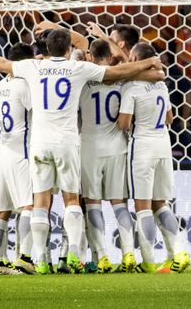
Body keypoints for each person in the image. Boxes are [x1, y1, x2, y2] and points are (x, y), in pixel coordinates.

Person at [0, 30, 164, 274]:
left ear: (47, 49)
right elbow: (118, 72)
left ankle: (40, 261)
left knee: (40, 202)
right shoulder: (78, 68)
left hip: (39, 143)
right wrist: (148, 62)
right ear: (66, 49)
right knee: (72, 200)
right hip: (68, 143)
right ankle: (74, 255)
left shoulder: (32, 66)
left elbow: (3, 64)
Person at [117, 43, 190, 274]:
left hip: (143, 147)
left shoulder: (131, 88)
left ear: (138, 59)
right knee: (161, 203)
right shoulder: (161, 86)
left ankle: (147, 261)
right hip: (163, 145)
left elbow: (124, 124)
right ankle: (179, 252)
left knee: (143, 207)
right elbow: (169, 118)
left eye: (131, 57)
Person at [78, 39, 136, 274]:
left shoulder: (81, 82)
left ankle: (102, 257)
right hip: (117, 148)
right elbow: (128, 61)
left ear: (90, 57)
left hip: (90, 149)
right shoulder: (123, 81)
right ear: (110, 58)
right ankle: (129, 254)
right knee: (119, 204)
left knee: (92, 203)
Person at [0, 43, 35, 275]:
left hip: (1, 151)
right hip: (20, 151)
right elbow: (37, 111)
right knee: (30, 204)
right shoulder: (24, 84)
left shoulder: (1, 83)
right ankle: (24, 258)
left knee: (2, 208)